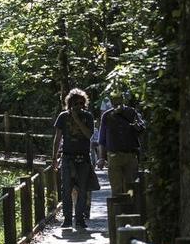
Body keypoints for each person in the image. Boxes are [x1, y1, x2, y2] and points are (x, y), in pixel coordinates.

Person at [52, 88, 95, 229]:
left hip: (83, 157)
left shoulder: (88, 117)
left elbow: (89, 135)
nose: (79, 106)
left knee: (83, 189)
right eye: (76, 103)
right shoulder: (63, 117)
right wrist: (54, 158)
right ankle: (68, 219)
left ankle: (80, 218)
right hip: (67, 157)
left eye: (81, 103)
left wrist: (77, 119)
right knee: (66, 189)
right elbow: (57, 138)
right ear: (70, 103)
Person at [96, 90, 145, 195]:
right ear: (112, 101)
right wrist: (101, 158)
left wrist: (137, 126)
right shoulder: (107, 116)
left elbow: (142, 128)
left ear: (123, 99)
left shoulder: (132, 112)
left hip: (130, 155)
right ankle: (117, 210)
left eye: (119, 99)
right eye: (114, 100)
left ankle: (130, 210)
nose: (117, 102)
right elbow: (102, 139)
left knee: (131, 187)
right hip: (113, 156)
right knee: (116, 189)